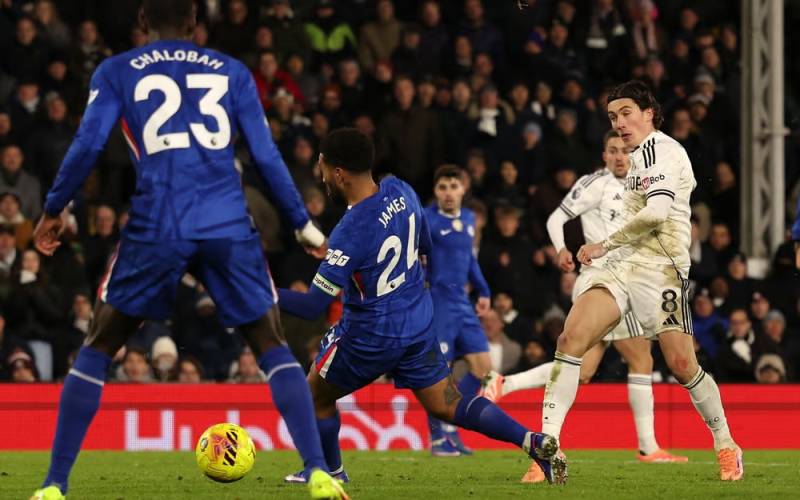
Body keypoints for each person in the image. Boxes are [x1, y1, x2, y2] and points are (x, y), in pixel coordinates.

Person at [29, 2, 345, 499]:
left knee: (99, 345)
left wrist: (53, 207)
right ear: (195, 24)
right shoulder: (233, 72)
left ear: (141, 22)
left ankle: (53, 486)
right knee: (271, 345)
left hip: (159, 222)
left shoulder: (117, 71)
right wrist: (303, 226)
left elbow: (88, 144)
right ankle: (319, 471)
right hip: (226, 222)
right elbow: (265, 154)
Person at [277, 128, 565, 487]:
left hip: (370, 336)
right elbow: (424, 247)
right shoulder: (401, 190)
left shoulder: (348, 231)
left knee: (315, 395)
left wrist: (265, 294)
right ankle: (532, 441)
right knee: (450, 404)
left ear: (338, 173)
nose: (321, 177)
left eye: (322, 168)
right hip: (416, 325)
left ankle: (327, 472)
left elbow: (312, 305)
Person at [539, 80, 742, 482]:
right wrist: (607, 250)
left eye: (627, 112)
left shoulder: (665, 151)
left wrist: (600, 244)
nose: (620, 123)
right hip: (620, 266)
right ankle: (546, 447)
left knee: (682, 365)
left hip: (662, 269)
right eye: (613, 117)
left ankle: (725, 442)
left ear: (650, 112)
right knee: (570, 339)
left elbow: (655, 214)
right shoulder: (633, 159)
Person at [482, 130, 687, 483]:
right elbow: (554, 219)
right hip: (602, 283)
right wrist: (562, 248)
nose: (620, 156)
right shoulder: (595, 184)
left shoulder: (644, 183)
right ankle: (642, 447)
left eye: (625, 150)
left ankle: (507, 385)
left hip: (629, 282)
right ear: (604, 156)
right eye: (613, 151)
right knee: (620, 360)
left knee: (596, 366)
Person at [423, 165, 493, 457]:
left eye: (453, 186)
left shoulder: (468, 218)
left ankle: (451, 420)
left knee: (484, 368)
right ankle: (438, 438)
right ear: (435, 192)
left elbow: (469, 260)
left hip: (463, 305)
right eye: (442, 187)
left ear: (463, 189)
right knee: (441, 373)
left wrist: (484, 290)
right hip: (438, 304)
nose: (448, 193)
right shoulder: (426, 220)